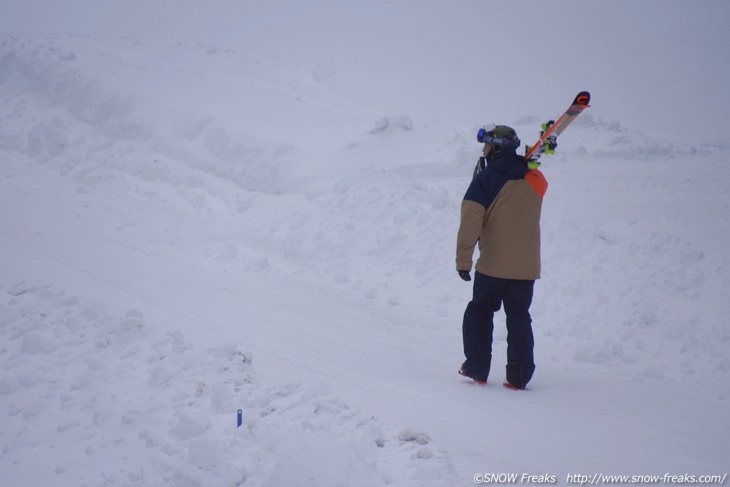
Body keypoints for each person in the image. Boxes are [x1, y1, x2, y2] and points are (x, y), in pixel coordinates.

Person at [455, 124, 549, 390]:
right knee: (519, 316)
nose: (483, 150)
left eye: (486, 145)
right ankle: (519, 376)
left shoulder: (485, 179)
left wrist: (463, 261)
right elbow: (541, 185)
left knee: (480, 312)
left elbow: (470, 222)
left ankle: (477, 368)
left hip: (493, 265)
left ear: (495, 147)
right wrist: (524, 165)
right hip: (527, 267)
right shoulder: (534, 178)